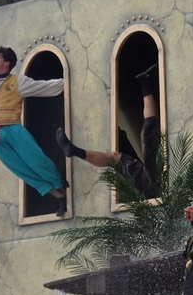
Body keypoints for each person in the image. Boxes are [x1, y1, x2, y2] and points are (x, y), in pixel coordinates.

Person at [0, 47, 68, 216]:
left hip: (13, 128)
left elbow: (45, 87)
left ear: (6, 63)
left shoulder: (18, 82)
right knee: (20, 169)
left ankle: (59, 183)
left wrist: (70, 80)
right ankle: (58, 196)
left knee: (36, 160)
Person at [55, 63, 160, 197]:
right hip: (149, 188)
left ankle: (76, 151)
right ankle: (145, 83)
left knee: (146, 140)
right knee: (139, 144)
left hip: (149, 188)